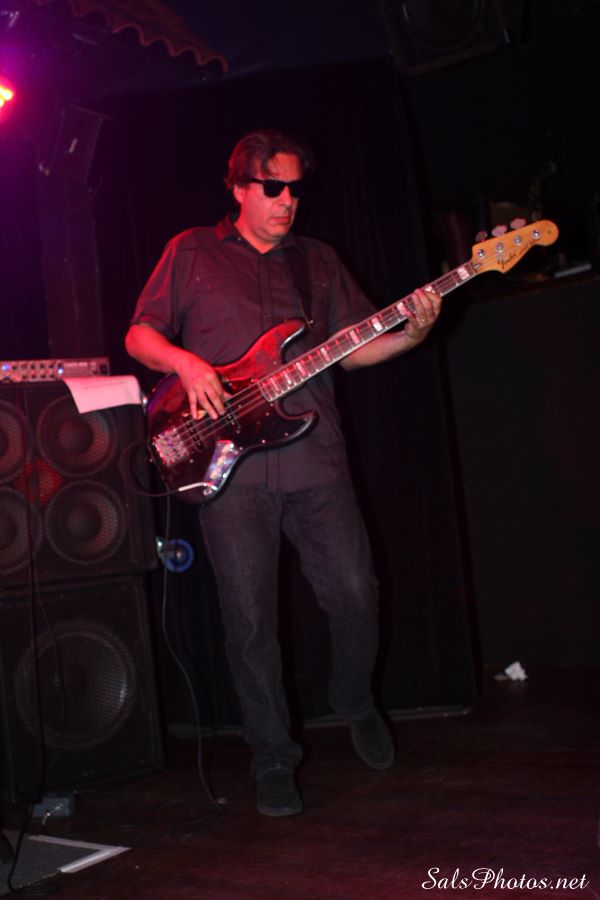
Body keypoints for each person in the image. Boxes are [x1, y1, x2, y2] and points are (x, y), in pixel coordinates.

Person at [126, 129, 442, 817]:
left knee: (356, 595)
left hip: (314, 456)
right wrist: (187, 363)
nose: (288, 201)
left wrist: (414, 332)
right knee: (249, 623)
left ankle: (353, 699)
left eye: (296, 189)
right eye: (273, 188)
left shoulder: (318, 262)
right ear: (239, 188)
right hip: (226, 470)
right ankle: (272, 757)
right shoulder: (192, 251)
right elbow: (139, 334)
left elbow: (354, 350)